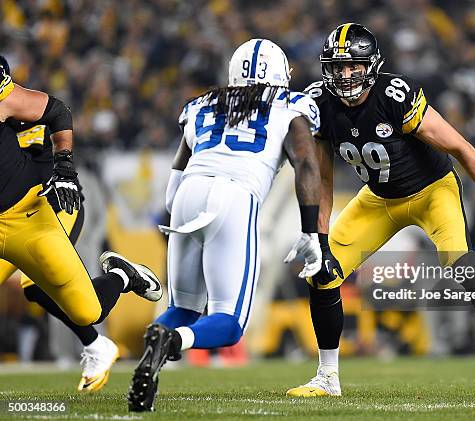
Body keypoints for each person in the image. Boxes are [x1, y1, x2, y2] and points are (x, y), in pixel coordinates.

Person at [286, 23, 475, 397]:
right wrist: (319, 240)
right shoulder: (320, 103)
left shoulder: (394, 95)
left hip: (431, 191)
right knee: (322, 271)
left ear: (370, 64)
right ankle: (327, 377)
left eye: (354, 65)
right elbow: (322, 180)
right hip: (379, 199)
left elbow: (459, 146)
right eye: (339, 67)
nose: (346, 74)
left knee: (461, 263)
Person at [127, 39, 326, 412]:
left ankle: (161, 338)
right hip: (234, 196)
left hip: (188, 193)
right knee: (230, 323)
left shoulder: (202, 103)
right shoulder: (291, 105)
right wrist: (310, 231)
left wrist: (181, 209)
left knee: (183, 307)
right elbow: (306, 164)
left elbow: (176, 173)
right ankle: (170, 342)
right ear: (281, 72)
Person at [0, 55, 162, 377]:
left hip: (41, 206)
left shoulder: (19, 109)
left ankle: (121, 278)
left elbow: (58, 113)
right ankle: (96, 346)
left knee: (83, 307)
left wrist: (64, 169)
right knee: (35, 289)